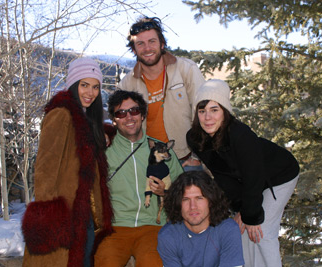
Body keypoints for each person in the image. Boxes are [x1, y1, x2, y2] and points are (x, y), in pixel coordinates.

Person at [186, 79, 300, 267]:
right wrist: (241, 209)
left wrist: (251, 214)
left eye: (214, 110)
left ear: (225, 112)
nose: (207, 117)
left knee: (261, 230)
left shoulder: (240, 135)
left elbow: (253, 175)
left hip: (279, 175)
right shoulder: (196, 139)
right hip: (250, 180)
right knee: (244, 229)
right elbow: (222, 176)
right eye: (202, 110)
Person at [21, 58, 113, 267]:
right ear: (73, 84)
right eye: (84, 85)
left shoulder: (85, 118)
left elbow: (81, 145)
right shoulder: (60, 114)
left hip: (83, 213)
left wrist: (104, 134)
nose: (90, 92)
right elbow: (45, 167)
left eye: (95, 87)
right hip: (64, 214)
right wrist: (49, 214)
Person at [94, 90, 183, 267]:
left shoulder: (162, 150)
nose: (129, 117)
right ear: (114, 119)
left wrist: (165, 192)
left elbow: (183, 189)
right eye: (121, 113)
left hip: (153, 227)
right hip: (115, 227)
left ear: (142, 115)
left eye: (134, 111)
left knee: (153, 263)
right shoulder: (104, 151)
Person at [118, 16, 205, 171]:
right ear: (133, 49)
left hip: (186, 162)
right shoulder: (126, 84)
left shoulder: (186, 70)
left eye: (152, 41)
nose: (147, 48)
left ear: (162, 44)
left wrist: (198, 157)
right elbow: (120, 125)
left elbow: (204, 114)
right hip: (149, 162)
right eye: (140, 43)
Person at [158, 171, 245, 267]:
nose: (193, 206)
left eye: (199, 198)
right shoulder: (168, 235)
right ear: (177, 204)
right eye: (185, 199)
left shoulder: (228, 229)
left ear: (211, 201)